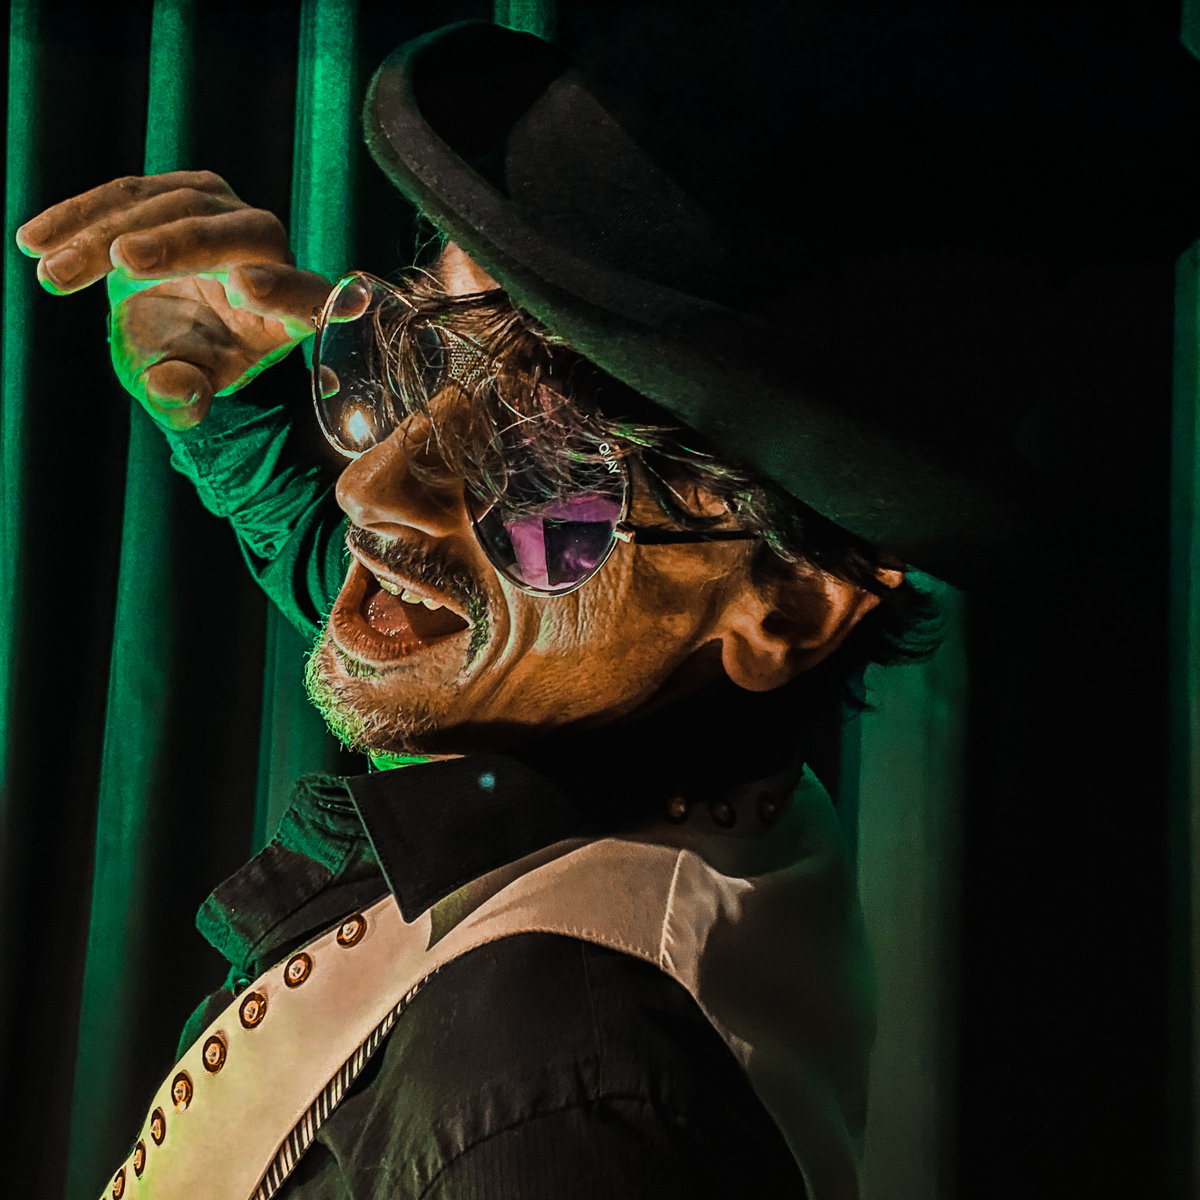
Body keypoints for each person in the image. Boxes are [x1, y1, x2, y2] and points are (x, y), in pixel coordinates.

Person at [18, 9, 1195, 1200]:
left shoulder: (562, 1111)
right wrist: (241, 415)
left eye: (550, 466)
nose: (373, 483)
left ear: (788, 604)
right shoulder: (667, 766)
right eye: (424, 354)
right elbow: (437, 610)